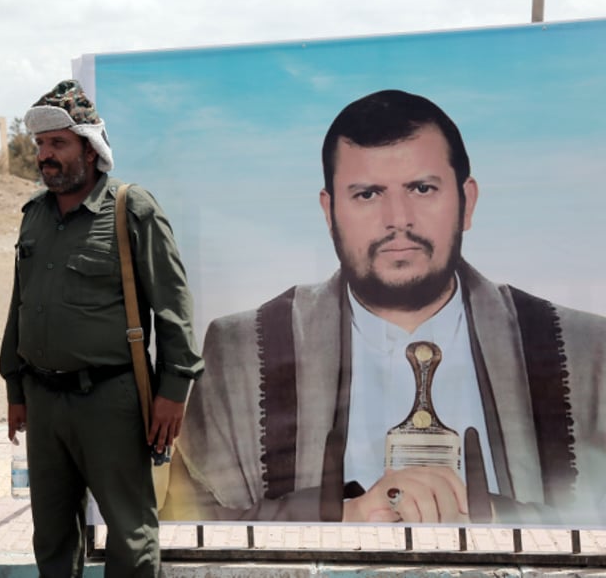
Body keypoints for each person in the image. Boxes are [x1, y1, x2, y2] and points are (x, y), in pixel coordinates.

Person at [162, 89, 606, 527]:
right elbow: (189, 522)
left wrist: (500, 518)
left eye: (422, 188)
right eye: (368, 194)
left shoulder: (583, 352)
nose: (398, 219)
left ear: (466, 202)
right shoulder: (242, 350)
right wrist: (339, 516)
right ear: (329, 211)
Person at [0, 79, 203, 577]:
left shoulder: (131, 209)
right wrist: (15, 387)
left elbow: (173, 309)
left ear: (90, 150)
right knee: (51, 532)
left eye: (58, 144)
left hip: (110, 400)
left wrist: (173, 392)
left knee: (129, 534)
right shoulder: (35, 215)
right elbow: (19, 305)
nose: (46, 156)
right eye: (41, 145)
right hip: (44, 401)